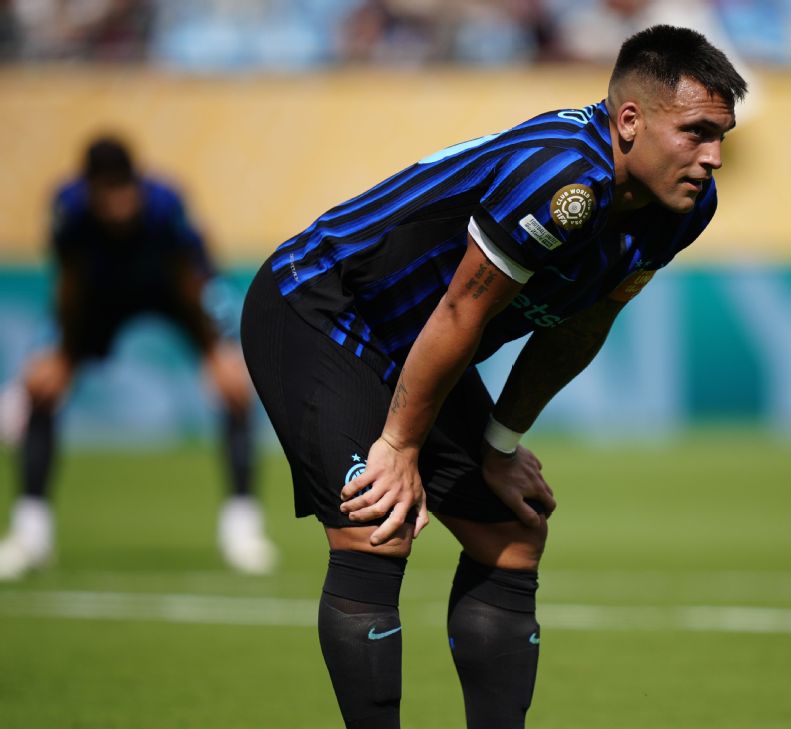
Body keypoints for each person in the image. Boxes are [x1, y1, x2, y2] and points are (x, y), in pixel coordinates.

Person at [239, 24, 744, 729]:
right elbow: (463, 310)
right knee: (377, 524)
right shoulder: (563, 178)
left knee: (512, 535)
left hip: (419, 341)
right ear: (630, 120)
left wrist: (500, 444)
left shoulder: (682, 209)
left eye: (720, 136)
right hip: (323, 306)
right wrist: (399, 444)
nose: (712, 157)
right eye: (695, 132)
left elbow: (580, 325)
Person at [0, 135, 278, 580]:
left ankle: (242, 530)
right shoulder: (69, 209)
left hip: (170, 293)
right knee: (43, 388)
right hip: (101, 297)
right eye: (106, 190)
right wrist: (61, 351)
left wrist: (214, 348)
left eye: (122, 187)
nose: (117, 202)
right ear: (89, 189)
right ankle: (31, 533)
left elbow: (192, 277)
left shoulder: (165, 204)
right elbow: (69, 281)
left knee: (233, 388)